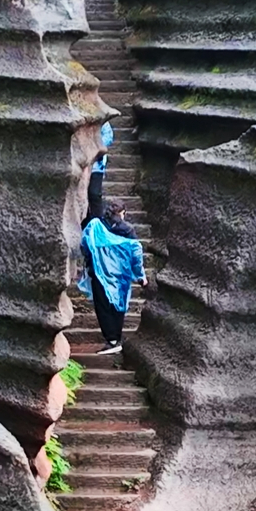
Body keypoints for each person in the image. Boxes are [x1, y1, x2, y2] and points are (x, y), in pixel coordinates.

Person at [78, 199, 146, 355]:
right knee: (118, 306)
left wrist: (91, 259)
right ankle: (116, 339)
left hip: (99, 273)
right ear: (122, 213)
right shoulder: (128, 230)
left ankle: (112, 340)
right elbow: (136, 254)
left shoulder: (96, 226)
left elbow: (85, 243)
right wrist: (141, 276)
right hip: (120, 276)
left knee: (103, 307)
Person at [86, 119, 115, 223]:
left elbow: (108, 136)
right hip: (81, 163)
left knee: (94, 193)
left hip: (96, 165)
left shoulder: (102, 121)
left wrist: (96, 148)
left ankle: (97, 223)